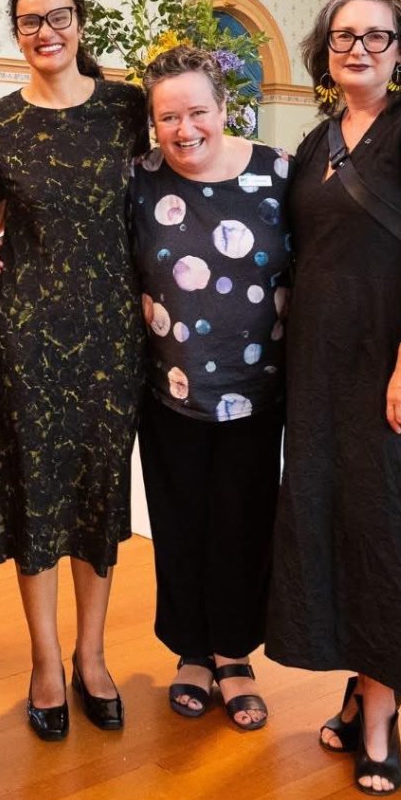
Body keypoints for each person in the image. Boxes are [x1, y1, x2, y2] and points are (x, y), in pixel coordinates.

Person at [266, 0, 401, 795]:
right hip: (322, 375)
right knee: (337, 529)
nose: (356, 47)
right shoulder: (316, 141)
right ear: (325, 49)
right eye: (342, 35)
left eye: (375, 36)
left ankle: (383, 717)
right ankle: (360, 691)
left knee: (391, 531)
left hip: (397, 369)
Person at [0, 0, 148, 740]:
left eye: (59, 17)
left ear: (81, 23)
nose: (46, 32)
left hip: (113, 327)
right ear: (15, 32)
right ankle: (45, 661)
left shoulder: (127, 110)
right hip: (28, 330)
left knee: (98, 491)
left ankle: (93, 654)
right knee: (35, 492)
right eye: (29, 21)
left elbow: (167, 199)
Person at [129, 46, 291, 730]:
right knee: (179, 522)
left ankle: (234, 654)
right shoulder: (136, 180)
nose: (185, 128)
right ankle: (190, 651)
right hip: (170, 391)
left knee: (243, 524)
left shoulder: (278, 174)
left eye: (198, 111)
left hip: (260, 389)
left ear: (226, 109)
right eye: (169, 116)